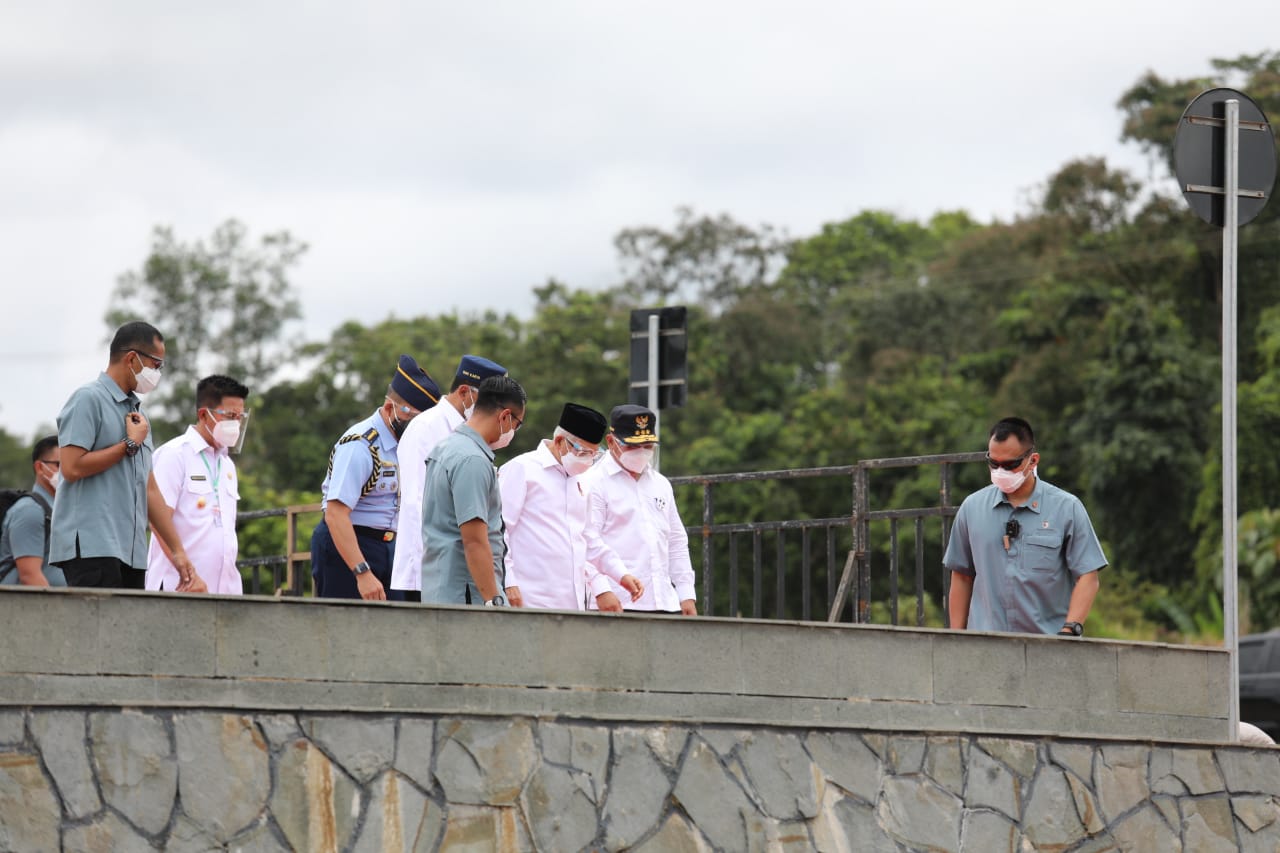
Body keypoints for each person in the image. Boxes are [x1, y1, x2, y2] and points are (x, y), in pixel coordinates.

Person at [50, 321, 199, 590]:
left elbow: (150, 489)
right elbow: (71, 468)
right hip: (92, 548)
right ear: (132, 358)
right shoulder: (87, 399)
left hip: (131, 550)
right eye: (156, 365)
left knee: (126, 630)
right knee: (95, 631)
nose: (157, 373)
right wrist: (128, 444)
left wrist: (177, 551)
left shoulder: (139, 416)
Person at [944, 417, 1106, 636]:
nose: (1001, 471)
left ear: (1033, 460)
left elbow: (1088, 576)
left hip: (1046, 645)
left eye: (1010, 464)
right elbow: (962, 576)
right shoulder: (972, 508)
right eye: (994, 463)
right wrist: (956, 637)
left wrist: (1070, 629)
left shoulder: (1066, 508)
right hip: (985, 645)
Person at [311, 354, 440, 601]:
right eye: (414, 422)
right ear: (392, 408)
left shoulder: (409, 445)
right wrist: (361, 572)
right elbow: (336, 514)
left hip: (389, 545)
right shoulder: (360, 445)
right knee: (349, 628)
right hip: (348, 546)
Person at [499, 403, 643, 611]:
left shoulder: (580, 480)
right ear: (560, 441)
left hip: (572, 603)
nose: (588, 460)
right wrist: (508, 581)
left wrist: (621, 573)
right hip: (529, 598)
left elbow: (589, 539)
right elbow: (499, 531)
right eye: (583, 452)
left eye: (594, 454)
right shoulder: (522, 469)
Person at [390, 354, 507, 602]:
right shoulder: (426, 427)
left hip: (460, 571)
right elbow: (417, 503)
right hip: (426, 572)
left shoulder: (471, 433)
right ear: (465, 392)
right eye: (487, 401)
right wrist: (437, 568)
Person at [580, 404, 697, 615]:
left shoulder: (660, 484)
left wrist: (686, 594)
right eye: (632, 446)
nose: (641, 452)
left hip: (664, 601)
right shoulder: (594, 482)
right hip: (617, 601)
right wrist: (601, 590)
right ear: (611, 441)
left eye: (647, 445)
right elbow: (587, 542)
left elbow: (676, 541)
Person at [420, 375, 526, 606]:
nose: (512, 432)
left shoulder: (446, 447)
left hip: (443, 588)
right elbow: (474, 541)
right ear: (505, 416)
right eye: (516, 425)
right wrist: (493, 602)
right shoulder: (473, 460)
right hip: (468, 594)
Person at [145, 375, 250, 594]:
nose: (236, 424)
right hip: (181, 587)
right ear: (204, 414)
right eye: (230, 416)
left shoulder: (227, 464)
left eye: (240, 417)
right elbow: (158, 520)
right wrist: (188, 575)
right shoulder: (174, 455)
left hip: (225, 591)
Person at [0, 435, 64, 587]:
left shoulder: (57, 510)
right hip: (31, 608)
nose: (65, 471)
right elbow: (29, 576)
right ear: (40, 467)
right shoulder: (30, 511)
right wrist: (57, 609)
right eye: (59, 464)